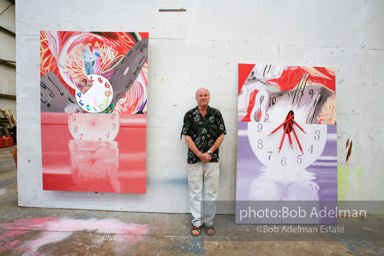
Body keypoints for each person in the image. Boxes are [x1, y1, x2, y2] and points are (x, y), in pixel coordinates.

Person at [181, 87, 226, 237]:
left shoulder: (216, 114)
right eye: (200, 95)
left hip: (212, 160)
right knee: (195, 192)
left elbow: (221, 135)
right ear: (196, 98)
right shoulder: (189, 115)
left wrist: (209, 152)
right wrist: (200, 154)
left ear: (209, 97)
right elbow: (187, 137)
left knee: (211, 193)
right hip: (194, 160)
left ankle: (209, 222)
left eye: (205, 95)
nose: (203, 97)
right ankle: (196, 222)